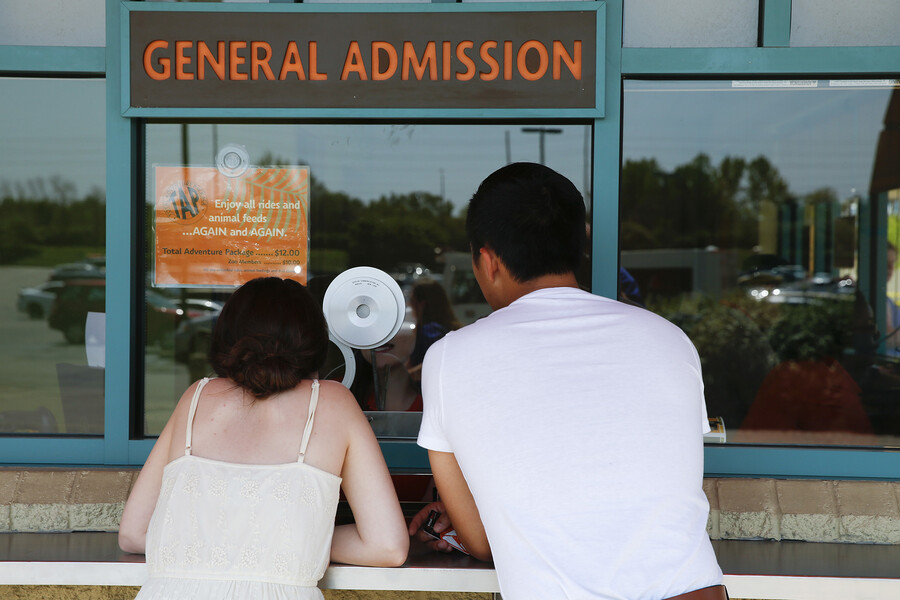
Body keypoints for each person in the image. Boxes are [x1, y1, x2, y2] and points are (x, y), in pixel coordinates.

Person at [408, 163, 725, 600]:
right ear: (579, 247)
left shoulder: (449, 359)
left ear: (487, 260)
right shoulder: (669, 339)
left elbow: (480, 542)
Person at [119, 277, 408, 600]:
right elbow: (388, 546)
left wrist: (231, 541)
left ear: (227, 336)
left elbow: (134, 533)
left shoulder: (197, 397)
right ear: (315, 340)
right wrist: (290, 543)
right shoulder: (332, 402)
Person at [407, 279, 461, 383]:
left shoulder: (430, 331)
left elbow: (436, 363)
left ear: (422, 304)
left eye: (412, 300)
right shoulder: (446, 328)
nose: (409, 304)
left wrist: (405, 377)